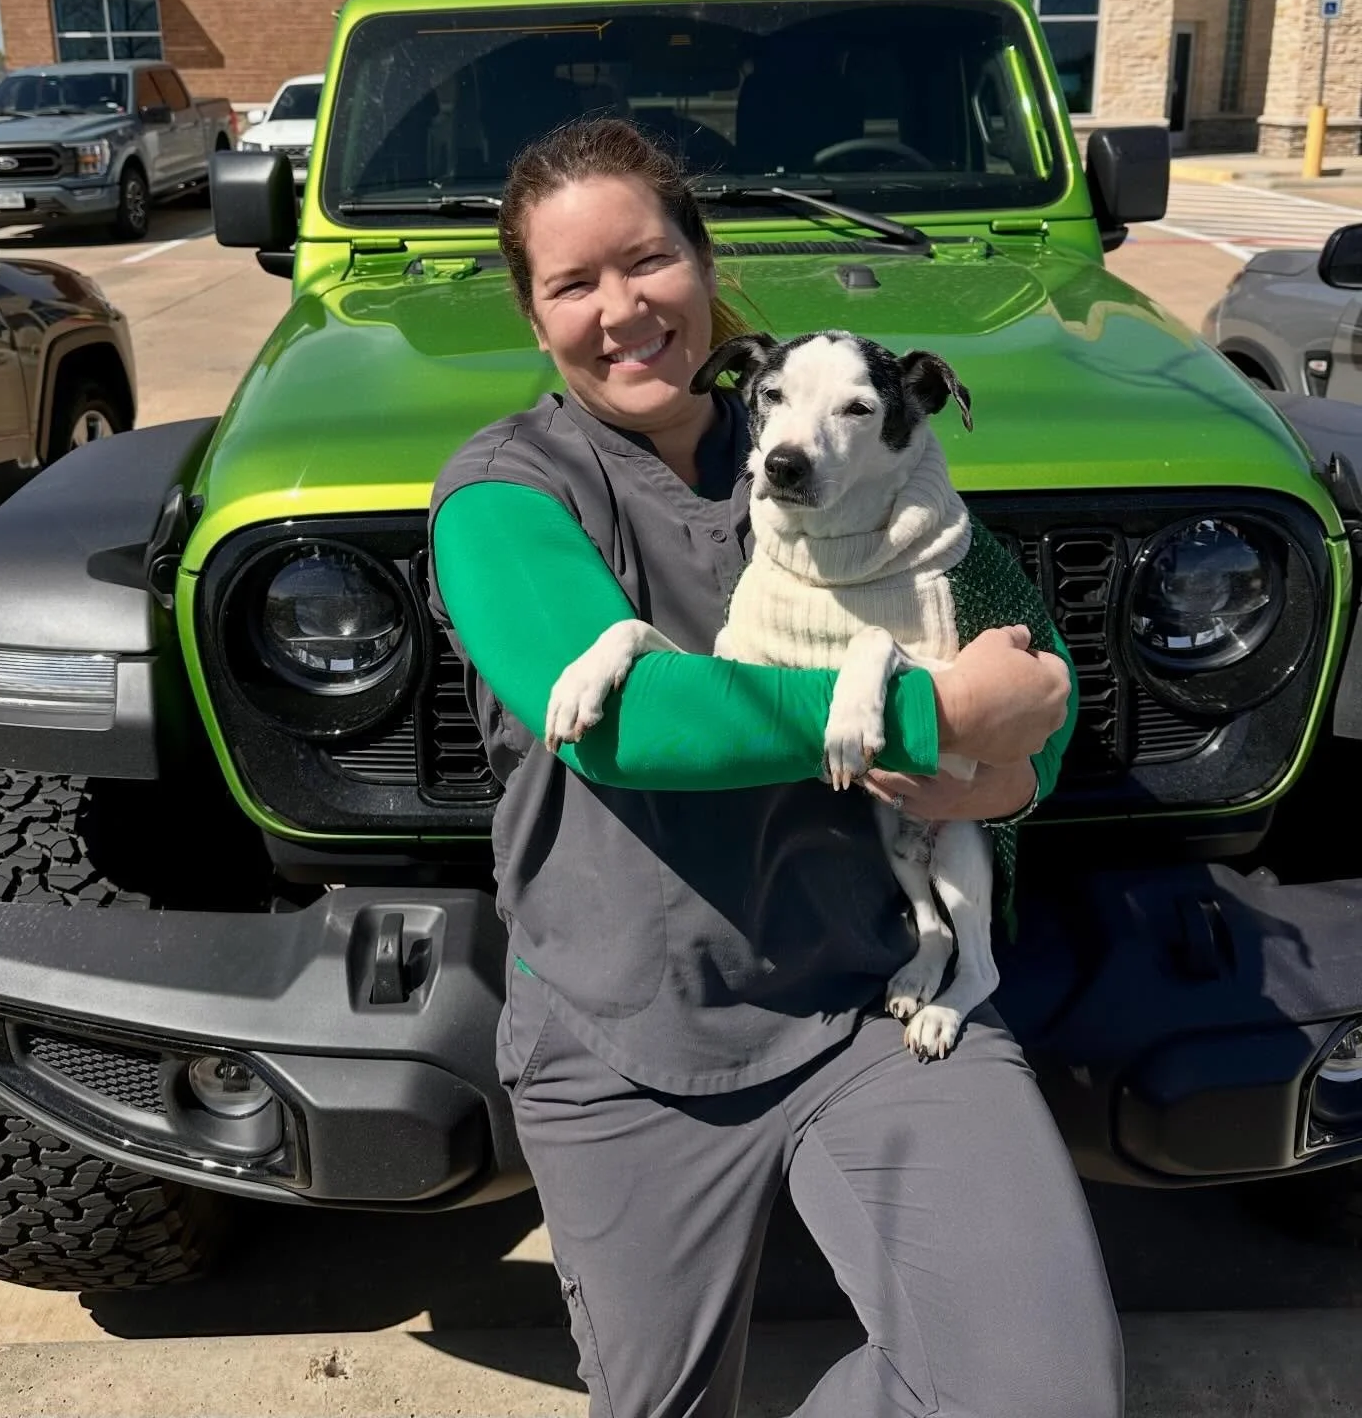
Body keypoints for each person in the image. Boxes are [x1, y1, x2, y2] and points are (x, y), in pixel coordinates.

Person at [427, 118, 1123, 1418]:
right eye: (574, 284)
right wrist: (932, 715)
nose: (622, 310)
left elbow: (1022, 659)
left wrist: (1015, 768)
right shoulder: (503, 492)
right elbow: (629, 727)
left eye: (648, 261)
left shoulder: (833, 444)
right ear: (533, 316)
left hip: (873, 1005)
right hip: (630, 1037)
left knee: (1040, 1394)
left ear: (704, 262)